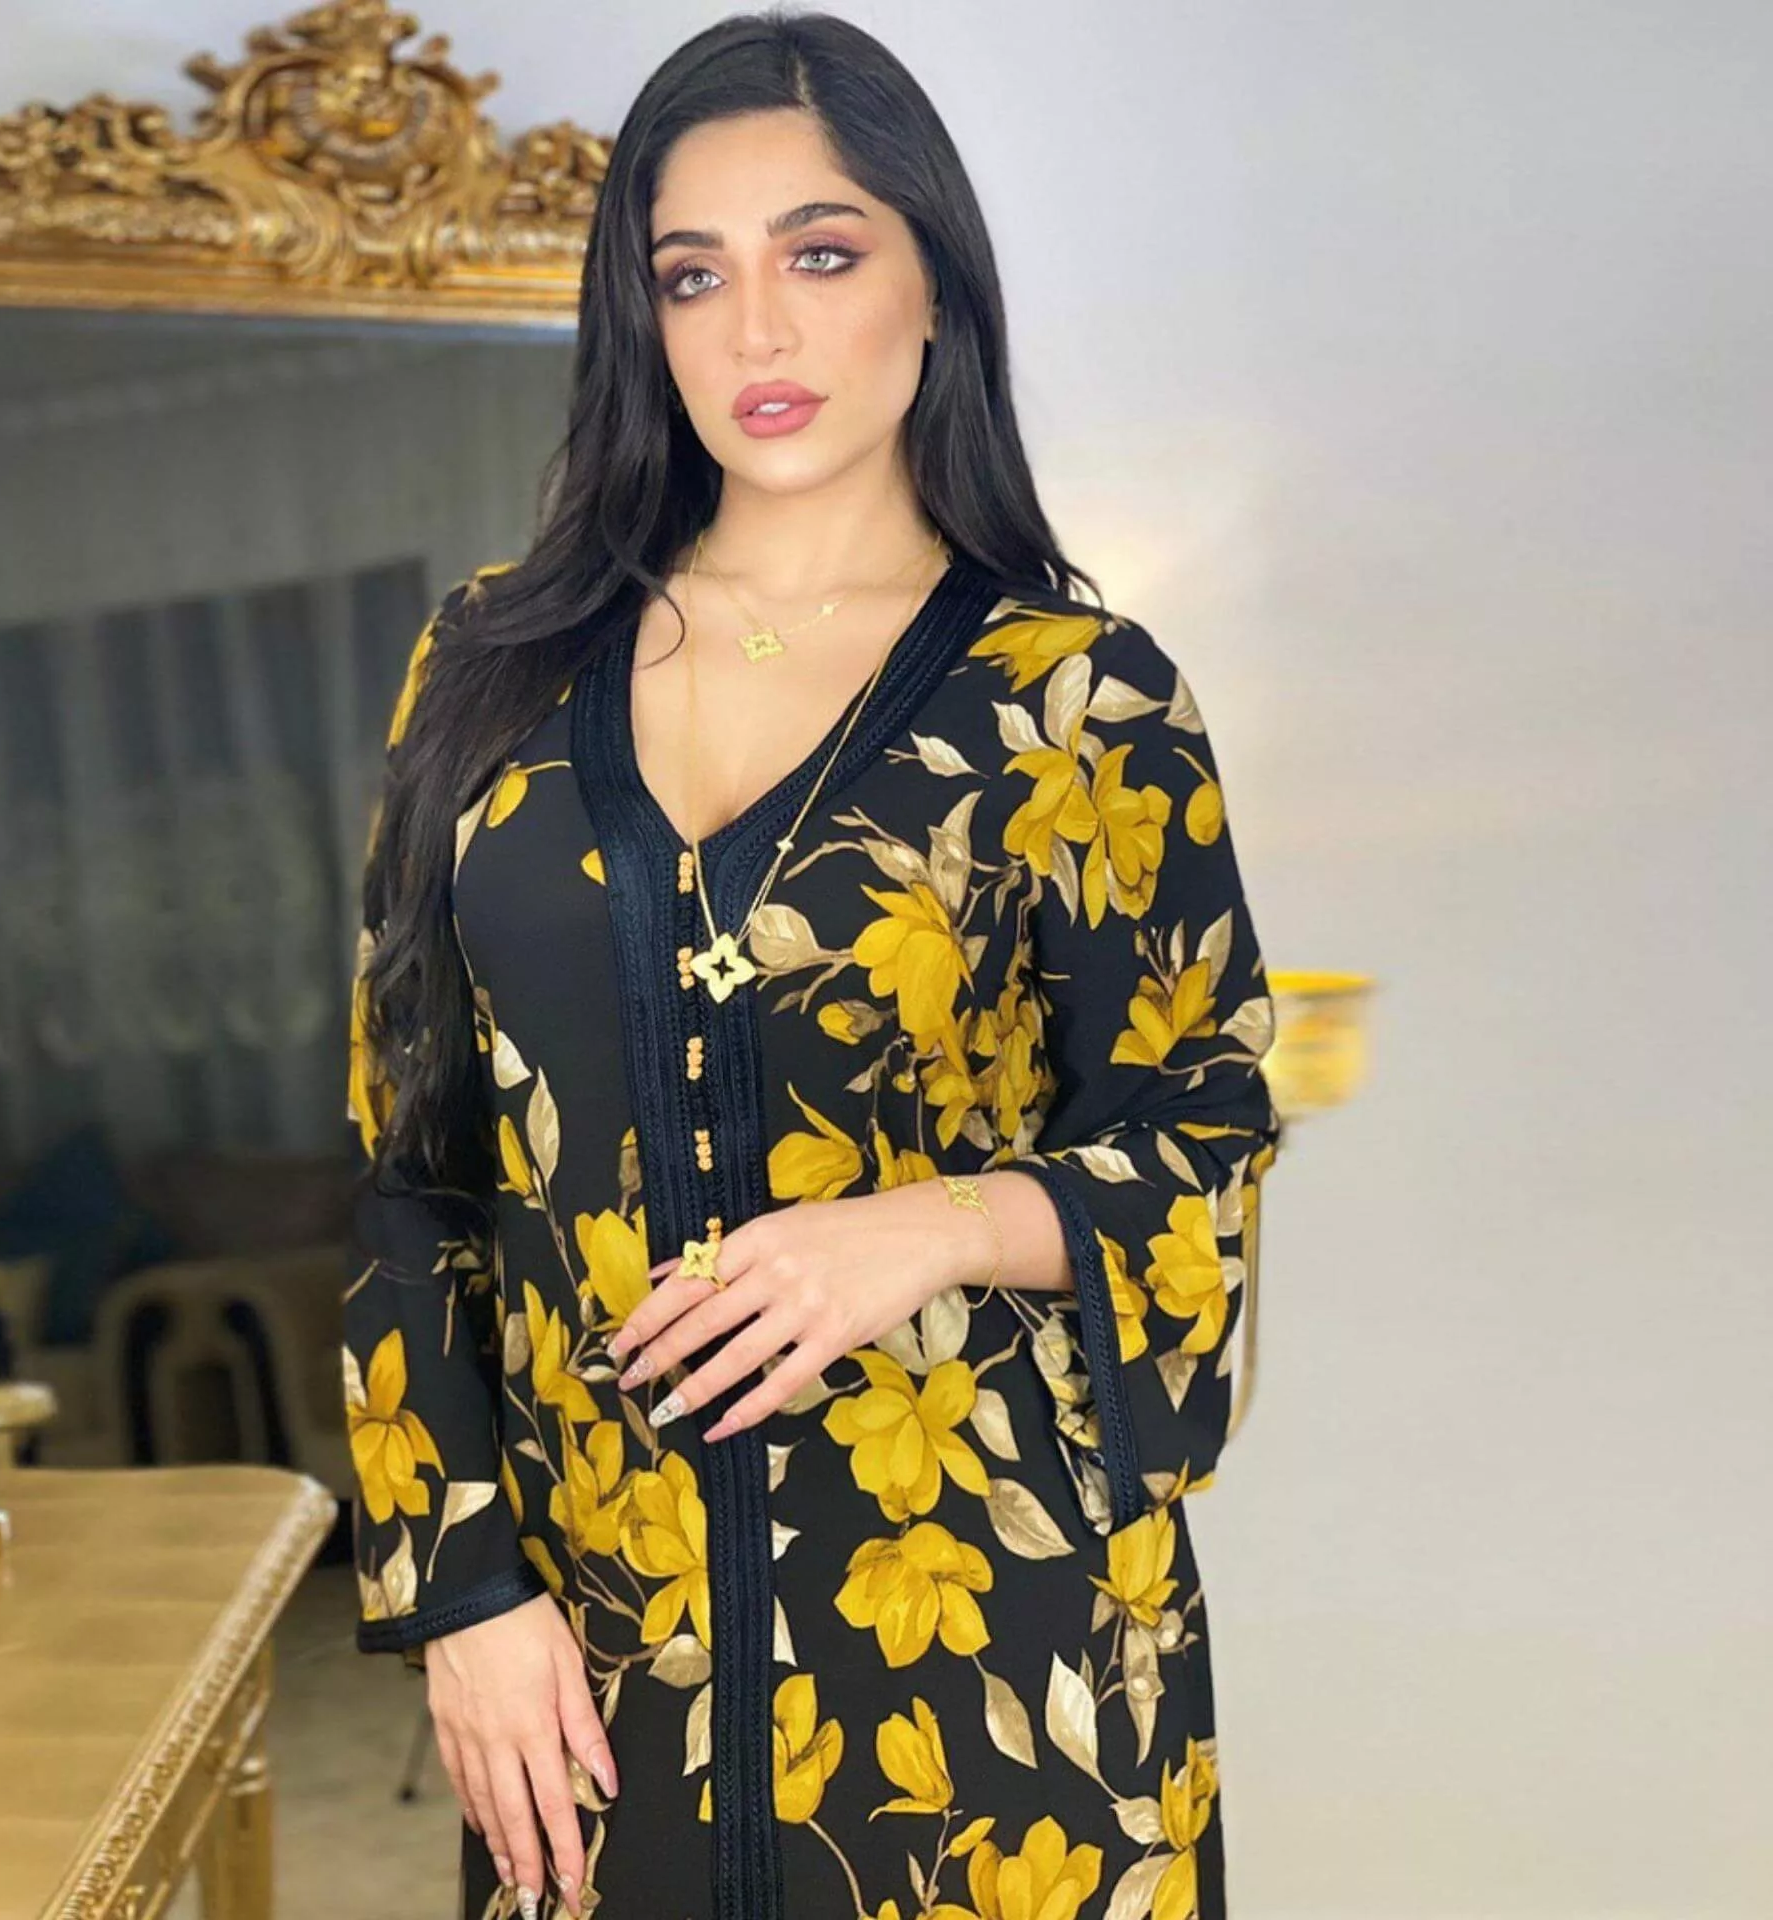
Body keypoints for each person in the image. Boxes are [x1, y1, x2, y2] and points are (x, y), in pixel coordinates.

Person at [343, 11, 1281, 1918]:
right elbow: (407, 1169)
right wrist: (461, 1594)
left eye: (823, 254)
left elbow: (1207, 1135)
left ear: (937, 285)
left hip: (999, 1660)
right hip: (599, 1650)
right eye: (694, 274)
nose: (757, 331)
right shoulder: (491, 673)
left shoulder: (1077, 702)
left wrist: (923, 1228)